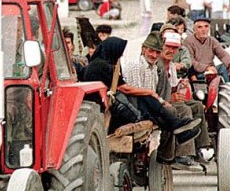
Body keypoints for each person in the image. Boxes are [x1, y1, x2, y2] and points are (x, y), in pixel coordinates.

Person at [84, 36, 201, 146]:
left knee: (147, 102)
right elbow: (124, 88)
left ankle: (179, 130)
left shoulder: (99, 64)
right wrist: (150, 93)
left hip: (110, 107)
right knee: (145, 97)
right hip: (108, 111)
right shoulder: (102, 66)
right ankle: (177, 126)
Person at [121, 32, 201, 163]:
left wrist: (162, 102)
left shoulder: (153, 68)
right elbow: (136, 93)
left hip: (148, 104)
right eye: (151, 51)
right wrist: (160, 101)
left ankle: (174, 142)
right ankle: (167, 151)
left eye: (157, 53)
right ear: (143, 49)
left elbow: (152, 93)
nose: (154, 55)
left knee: (172, 109)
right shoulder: (135, 66)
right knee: (170, 112)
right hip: (134, 106)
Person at [156, 31, 211, 166]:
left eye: (174, 48)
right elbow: (153, 91)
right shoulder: (157, 65)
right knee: (184, 109)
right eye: (168, 47)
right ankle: (183, 154)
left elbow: (173, 87)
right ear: (161, 46)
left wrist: (180, 86)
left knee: (197, 106)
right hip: (158, 103)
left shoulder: (172, 67)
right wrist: (171, 97)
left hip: (168, 99)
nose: (171, 51)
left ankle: (201, 146)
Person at [183, 17, 230, 82]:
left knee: (225, 67)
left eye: (206, 26)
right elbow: (190, 61)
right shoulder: (188, 41)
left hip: (211, 71)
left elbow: (223, 54)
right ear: (194, 29)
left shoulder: (212, 40)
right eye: (200, 27)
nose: (203, 29)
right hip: (196, 73)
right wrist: (206, 68)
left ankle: (228, 87)